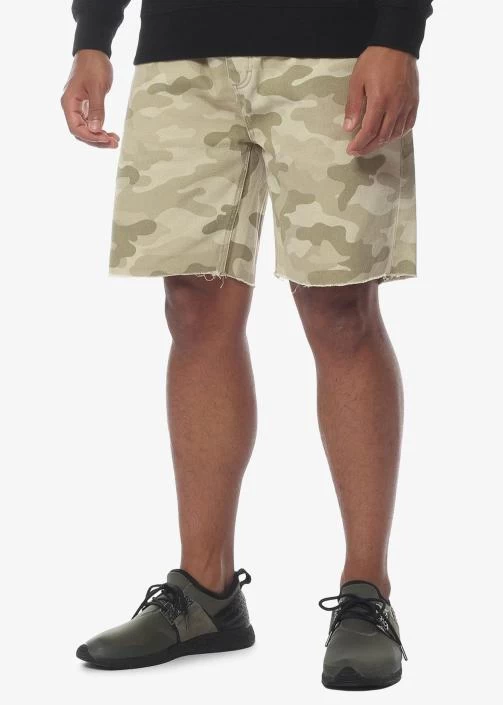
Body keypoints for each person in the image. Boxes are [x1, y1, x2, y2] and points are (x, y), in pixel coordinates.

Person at [62, 0, 433, 689]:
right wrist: (93, 37)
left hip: (336, 47)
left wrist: (399, 34)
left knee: (340, 308)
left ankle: (366, 593)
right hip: (181, 52)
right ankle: (206, 594)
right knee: (193, 304)